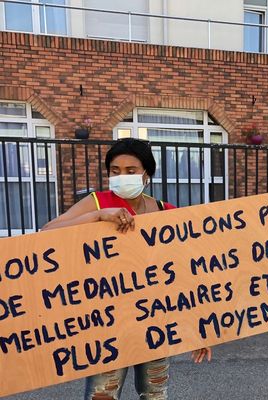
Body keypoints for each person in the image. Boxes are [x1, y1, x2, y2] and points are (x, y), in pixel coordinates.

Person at [41, 138, 211, 399]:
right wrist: (97, 217)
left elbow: (186, 272)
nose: (121, 177)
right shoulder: (97, 202)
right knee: (102, 395)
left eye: (131, 171)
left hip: (155, 320)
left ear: (147, 175)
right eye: (115, 171)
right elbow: (47, 233)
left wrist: (200, 329)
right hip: (107, 322)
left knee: (154, 393)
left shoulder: (166, 212)